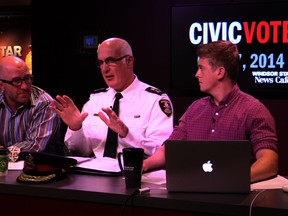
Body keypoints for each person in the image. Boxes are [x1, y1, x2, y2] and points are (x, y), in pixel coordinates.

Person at [143, 40, 278, 183]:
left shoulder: (253, 110)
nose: (197, 74)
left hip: (236, 198)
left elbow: (269, 162)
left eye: (201, 68)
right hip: (193, 191)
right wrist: (144, 165)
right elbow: (169, 149)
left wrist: (234, 180)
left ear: (220, 72)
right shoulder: (195, 109)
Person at [49, 37, 174, 158]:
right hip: (97, 174)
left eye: (110, 61)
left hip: (138, 174)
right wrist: (76, 128)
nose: (105, 69)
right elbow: (81, 152)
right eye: (101, 63)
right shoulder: (95, 100)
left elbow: (161, 151)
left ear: (129, 61)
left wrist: (127, 135)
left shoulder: (155, 100)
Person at [0, 56, 64, 160]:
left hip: (40, 170)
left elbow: (35, 146)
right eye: (16, 81)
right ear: (1, 85)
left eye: (27, 79)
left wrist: (3, 153)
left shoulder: (45, 103)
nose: (25, 86)